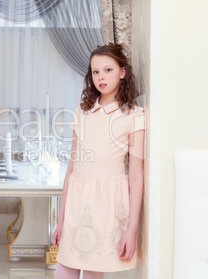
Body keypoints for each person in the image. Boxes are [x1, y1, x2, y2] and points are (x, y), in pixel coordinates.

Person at [53, 43, 145, 279]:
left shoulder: (133, 115)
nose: (100, 77)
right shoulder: (81, 113)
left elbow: (136, 175)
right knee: (64, 270)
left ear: (122, 72)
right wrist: (60, 220)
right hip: (77, 199)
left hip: (108, 205)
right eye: (95, 72)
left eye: (108, 70)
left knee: (94, 272)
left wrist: (131, 230)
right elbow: (72, 168)